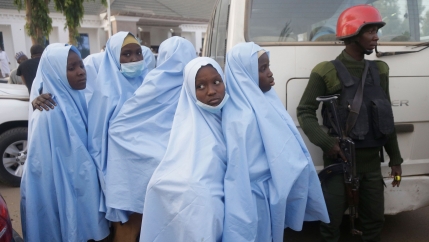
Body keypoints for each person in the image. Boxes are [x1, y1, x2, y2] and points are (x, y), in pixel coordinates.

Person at [297, 5, 403, 242]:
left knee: (375, 222)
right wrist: (328, 143)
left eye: (377, 30)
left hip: (371, 167)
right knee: (330, 222)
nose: (376, 36)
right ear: (353, 34)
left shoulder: (380, 70)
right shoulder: (326, 71)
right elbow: (305, 111)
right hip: (339, 165)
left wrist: (395, 159)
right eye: (370, 31)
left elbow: (386, 117)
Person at [222, 42, 329, 242]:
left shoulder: (267, 101)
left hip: (271, 193)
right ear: (245, 76)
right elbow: (241, 173)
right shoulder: (240, 119)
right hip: (255, 200)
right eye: (262, 69)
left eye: (268, 66)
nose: (270, 73)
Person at [106, 36, 196, 241]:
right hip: (180, 172)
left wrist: (148, 152)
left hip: (140, 171)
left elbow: (120, 128)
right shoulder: (197, 84)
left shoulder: (150, 83)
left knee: (132, 223)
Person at [20, 44, 109, 242]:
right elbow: (47, 173)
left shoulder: (79, 99)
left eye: (81, 66)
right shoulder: (48, 112)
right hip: (69, 193)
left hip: (83, 190)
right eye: (71, 68)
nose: (81, 72)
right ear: (56, 72)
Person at [140, 57, 228, 242]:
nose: (212, 91)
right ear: (189, 90)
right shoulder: (188, 128)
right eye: (200, 87)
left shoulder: (233, 119)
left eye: (217, 82)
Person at [86, 32, 147, 242]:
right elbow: (97, 142)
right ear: (113, 57)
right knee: (127, 229)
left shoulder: (149, 85)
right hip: (121, 176)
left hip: (148, 172)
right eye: (126, 54)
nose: (134, 59)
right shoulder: (105, 94)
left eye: (138, 53)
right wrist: (106, 182)